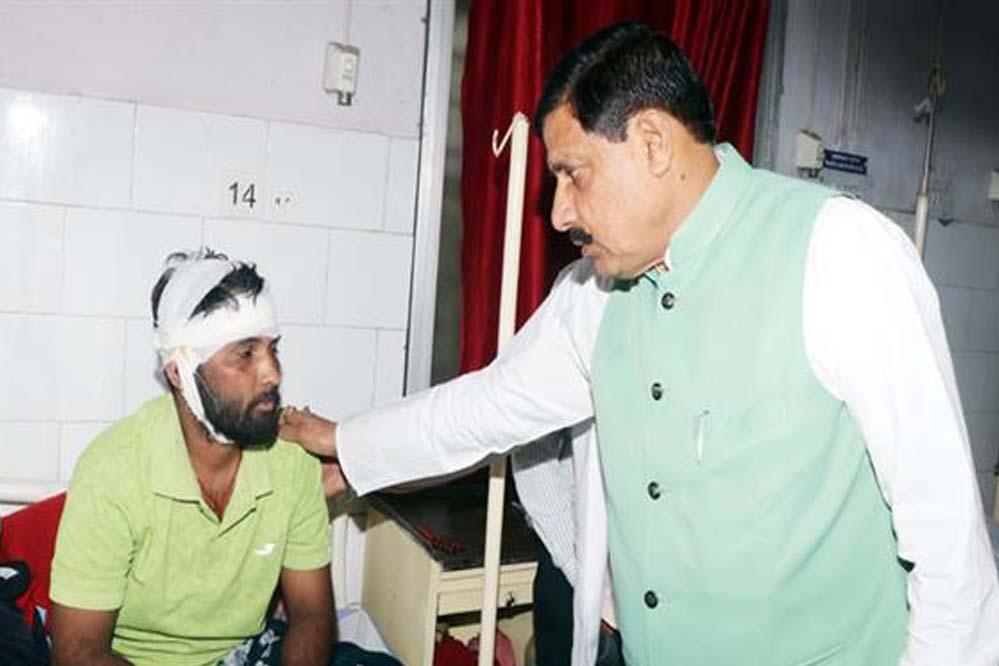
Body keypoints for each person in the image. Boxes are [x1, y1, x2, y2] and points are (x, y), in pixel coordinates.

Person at [281, 22, 999, 666]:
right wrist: (348, 443)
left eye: (573, 174)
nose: (559, 212)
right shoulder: (595, 297)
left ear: (653, 142)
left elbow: (947, 540)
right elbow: (490, 405)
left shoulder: (838, 251)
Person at [49, 249, 334, 666]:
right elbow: (79, 652)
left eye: (272, 349)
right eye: (246, 353)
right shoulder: (113, 469)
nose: (272, 373)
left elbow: (313, 615)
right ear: (179, 372)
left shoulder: (292, 461)